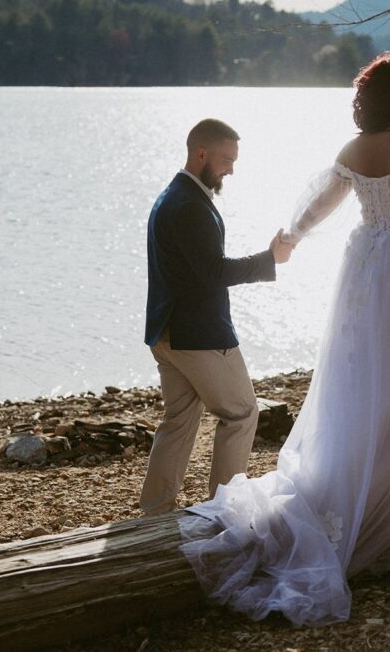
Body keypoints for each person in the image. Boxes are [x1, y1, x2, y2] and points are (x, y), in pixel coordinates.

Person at [177, 55, 390, 626]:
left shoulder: (353, 154)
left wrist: (292, 234)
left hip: (368, 264)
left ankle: (360, 479)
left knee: (362, 373)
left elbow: (323, 202)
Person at [141, 118, 296, 516]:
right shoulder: (190, 205)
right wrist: (269, 260)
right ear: (201, 153)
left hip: (167, 331)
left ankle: (155, 511)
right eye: (227, 159)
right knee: (243, 413)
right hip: (198, 335)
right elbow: (213, 272)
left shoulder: (172, 196)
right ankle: (226, 509)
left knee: (178, 418)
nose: (231, 168)